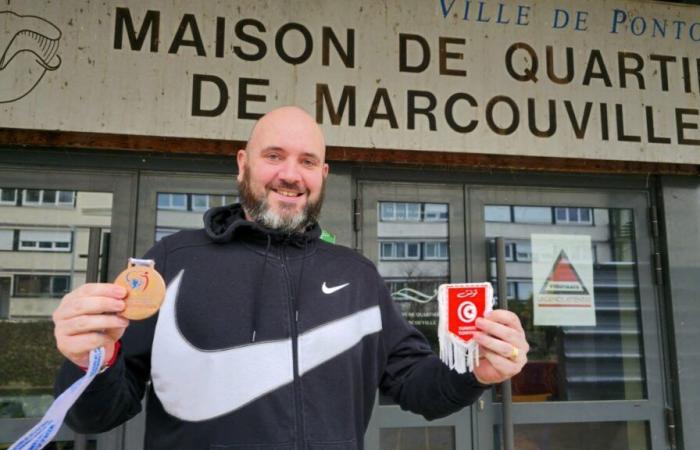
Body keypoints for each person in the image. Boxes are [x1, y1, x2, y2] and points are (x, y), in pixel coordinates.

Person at [53, 106, 528, 450]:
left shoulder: (356, 276)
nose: (290, 174)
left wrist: (475, 371)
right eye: (274, 155)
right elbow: (96, 415)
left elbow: (416, 388)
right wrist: (86, 357)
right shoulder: (173, 263)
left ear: (323, 174)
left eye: (306, 161)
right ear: (242, 163)